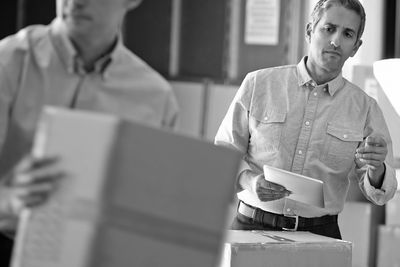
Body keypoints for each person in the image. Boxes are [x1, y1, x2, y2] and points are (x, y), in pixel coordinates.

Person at [0, 0, 178, 264]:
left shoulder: (155, 97)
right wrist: (7, 199)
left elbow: (152, 205)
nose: (74, 2)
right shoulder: (8, 62)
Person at [215, 0, 397, 239]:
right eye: (328, 28)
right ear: (310, 31)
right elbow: (221, 155)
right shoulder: (258, 84)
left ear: (355, 47)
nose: (335, 41)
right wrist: (249, 181)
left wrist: (377, 167)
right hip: (251, 226)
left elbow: (382, 192)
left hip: (320, 235)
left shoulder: (365, 108)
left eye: (347, 34)